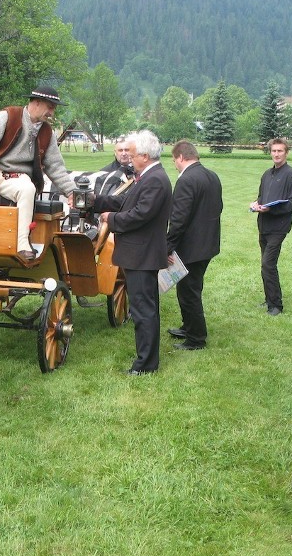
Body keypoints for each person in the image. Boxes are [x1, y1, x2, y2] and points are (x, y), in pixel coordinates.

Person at [0, 86, 75, 260]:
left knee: (28, 190)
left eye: (53, 108)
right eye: (50, 107)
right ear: (37, 102)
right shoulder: (8, 116)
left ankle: (22, 245)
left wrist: (71, 192)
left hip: (17, 178)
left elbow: (55, 166)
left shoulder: (47, 132)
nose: (52, 112)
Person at [90, 130, 172, 375]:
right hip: (140, 255)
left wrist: (110, 219)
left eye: (133, 154)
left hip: (142, 256)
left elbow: (140, 215)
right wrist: (96, 201)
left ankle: (145, 365)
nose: (129, 158)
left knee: (143, 311)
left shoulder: (155, 179)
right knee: (145, 309)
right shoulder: (147, 177)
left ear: (145, 156)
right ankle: (147, 360)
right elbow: (126, 203)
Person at [165, 140, 223, 350]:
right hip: (207, 244)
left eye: (174, 160)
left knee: (189, 292)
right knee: (189, 288)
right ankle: (189, 327)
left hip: (191, 248)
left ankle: (196, 338)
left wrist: (167, 247)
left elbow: (178, 219)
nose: (175, 165)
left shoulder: (186, 179)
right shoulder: (212, 175)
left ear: (181, 157)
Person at [249, 138, 292, 316]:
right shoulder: (266, 174)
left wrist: (272, 209)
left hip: (278, 227)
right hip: (263, 225)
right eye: (274, 151)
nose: (276, 154)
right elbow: (261, 196)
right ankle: (269, 298)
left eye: (280, 151)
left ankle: (276, 305)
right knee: (266, 264)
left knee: (268, 264)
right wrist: (256, 204)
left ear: (286, 153)